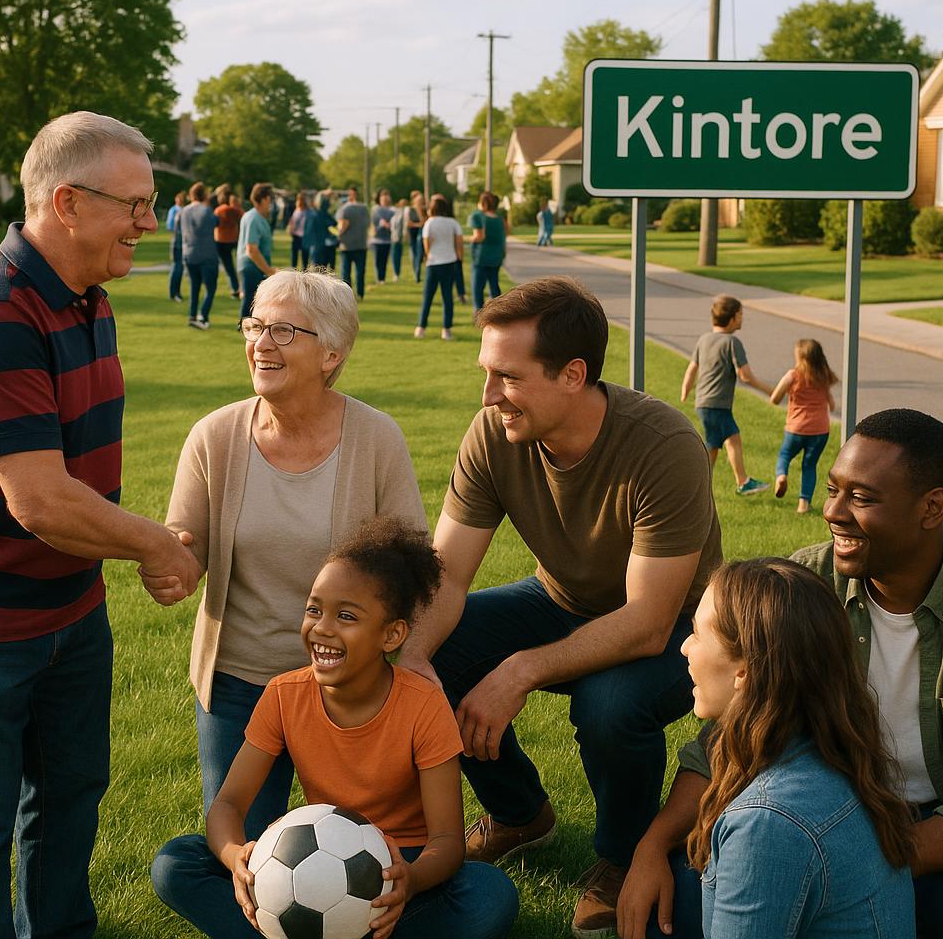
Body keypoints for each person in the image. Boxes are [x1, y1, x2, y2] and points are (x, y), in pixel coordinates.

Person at [398, 277, 722, 937]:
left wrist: (519, 672)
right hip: (560, 598)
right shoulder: (494, 432)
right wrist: (410, 661)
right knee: (436, 652)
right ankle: (521, 816)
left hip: (683, 625)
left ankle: (621, 858)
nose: (489, 397)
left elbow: (647, 619)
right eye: (487, 374)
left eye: (507, 378)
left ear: (573, 375)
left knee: (609, 704)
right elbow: (446, 578)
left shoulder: (663, 446)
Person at [626, 408, 943, 939]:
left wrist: (863, 859)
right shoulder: (809, 578)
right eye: (832, 489)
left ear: (932, 507)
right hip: (824, 809)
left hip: (942, 829)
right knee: (684, 901)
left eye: (862, 498)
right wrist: (652, 844)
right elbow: (736, 723)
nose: (834, 512)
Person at [0, 110, 200, 939]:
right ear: (66, 203)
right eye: (134, 205)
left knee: (68, 806)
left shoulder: (87, 296)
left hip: (73, 616)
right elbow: (39, 499)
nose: (151, 222)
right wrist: (155, 544)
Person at [141, 268, 427, 842]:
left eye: (282, 331)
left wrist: (412, 662)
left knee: (362, 852)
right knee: (244, 851)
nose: (260, 343)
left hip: (350, 686)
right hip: (238, 683)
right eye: (254, 325)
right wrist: (169, 568)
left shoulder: (377, 438)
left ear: (332, 354)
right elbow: (183, 548)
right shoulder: (213, 436)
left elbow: (412, 567)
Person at [151, 517, 519, 939]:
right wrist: (236, 855)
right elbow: (228, 806)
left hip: (402, 865)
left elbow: (448, 842)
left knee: (491, 895)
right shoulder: (284, 695)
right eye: (314, 609)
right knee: (177, 862)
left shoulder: (423, 705)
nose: (322, 627)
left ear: (392, 634)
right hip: (309, 862)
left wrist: (409, 882)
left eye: (346, 615)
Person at [619, 558, 916, 939]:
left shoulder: (766, 824)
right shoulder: (838, 753)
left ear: (744, 669)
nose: (685, 647)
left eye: (697, 633)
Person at [681, 294, 774, 496]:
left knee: (713, 446)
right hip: (716, 404)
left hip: (703, 402)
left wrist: (685, 391)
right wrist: (770, 390)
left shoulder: (704, 339)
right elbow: (745, 375)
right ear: (732, 318)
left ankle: (700, 487)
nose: (742, 319)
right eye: (740, 315)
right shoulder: (732, 342)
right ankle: (743, 482)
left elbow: (691, 369)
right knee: (733, 437)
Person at [769, 338, 838, 514]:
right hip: (820, 430)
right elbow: (832, 405)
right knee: (809, 465)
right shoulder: (824, 376)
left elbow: (775, 398)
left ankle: (782, 476)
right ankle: (803, 504)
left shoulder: (792, 375)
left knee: (785, 454)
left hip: (796, 428)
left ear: (799, 357)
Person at [414, 195, 462, 341]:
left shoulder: (429, 223)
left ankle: (421, 328)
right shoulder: (453, 222)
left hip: (433, 263)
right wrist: (459, 257)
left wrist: (428, 255)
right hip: (449, 261)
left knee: (428, 297)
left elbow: (426, 243)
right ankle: (446, 330)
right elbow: (459, 241)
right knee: (448, 297)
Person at [178, 181, 221, 330]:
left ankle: (192, 315)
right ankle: (203, 316)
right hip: (207, 255)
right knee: (210, 289)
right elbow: (217, 222)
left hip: (189, 253)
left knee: (194, 287)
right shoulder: (207, 210)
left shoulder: (184, 211)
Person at [236, 182, 277, 319]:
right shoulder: (253, 218)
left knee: (255, 304)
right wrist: (268, 270)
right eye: (270, 198)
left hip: (254, 267)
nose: (271, 203)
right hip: (251, 267)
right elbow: (251, 250)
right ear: (264, 198)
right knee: (251, 305)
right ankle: (245, 330)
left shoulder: (257, 217)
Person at [468, 191, 506, 312]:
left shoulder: (477, 216)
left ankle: (478, 314)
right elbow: (505, 233)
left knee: (477, 288)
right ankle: (497, 312)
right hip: (497, 256)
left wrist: (468, 239)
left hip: (481, 256)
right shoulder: (500, 218)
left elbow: (479, 237)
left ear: (483, 203)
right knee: (494, 286)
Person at [338, 185, 371, 299]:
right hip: (361, 244)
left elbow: (343, 225)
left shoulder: (345, 209)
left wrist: (338, 234)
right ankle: (361, 293)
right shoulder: (364, 208)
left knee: (346, 272)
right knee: (360, 271)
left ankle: (348, 296)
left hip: (347, 245)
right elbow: (367, 224)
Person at [214, 190, 243, 298]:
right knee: (239, 265)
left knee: (229, 267)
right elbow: (243, 216)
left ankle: (235, 288)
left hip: (220, 240)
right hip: (234, 239)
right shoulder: (234, 210)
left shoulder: (218, 210)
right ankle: (241, 287)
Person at [305, 189, 338, 271]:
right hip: (324, 246)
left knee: (317, 273)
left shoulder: (312, 213)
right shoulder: (324, 214)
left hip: (316, 246)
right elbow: (333, 223)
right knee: (323, 273)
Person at [371, 188, 395, 284]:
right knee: (378, 260)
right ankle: (378, 278)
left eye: (386, 199)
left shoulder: (391, 211)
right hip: (376, 239)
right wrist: (383, 224)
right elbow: (377, 221)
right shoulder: (376, 209)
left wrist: (389, 225)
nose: (385, 200)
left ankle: (382, 278)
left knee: (384, 260)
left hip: (387, 239)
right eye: (383, 198)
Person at [168, 189, 186, 302]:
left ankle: (176, 292)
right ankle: (174, 292)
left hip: (183, 242)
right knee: (177, 267)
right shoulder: (174, 211)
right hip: (177, 242)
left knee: (179, 267)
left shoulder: (184, 210)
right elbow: (170, 226)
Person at [408, 191, 426, 282]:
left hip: (421, 234)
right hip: (412, 235)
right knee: (414, 254)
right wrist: (419, 224)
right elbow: (409, 223)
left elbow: (425, 221)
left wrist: (420, 211)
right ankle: (415, 271)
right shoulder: (410, 210)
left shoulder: (424, 210)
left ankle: (417, 274)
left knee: (419, 254)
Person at [288, 191, 309, 270]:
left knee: (296, 259)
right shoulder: (303, 211)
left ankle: (295, 273)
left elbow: (293, 222)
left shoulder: (299, 211)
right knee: (304, 260)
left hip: (299, 236)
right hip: (301, 236)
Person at [390, 197, 408, 281]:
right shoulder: (396, 212)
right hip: (394, 237)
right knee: (395, 256)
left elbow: (403, 226)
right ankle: (396, 273)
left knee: (396, 256)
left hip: (398, 238)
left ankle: (396, 273)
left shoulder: (404, 213)